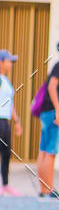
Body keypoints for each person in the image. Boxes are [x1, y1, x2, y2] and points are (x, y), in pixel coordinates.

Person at [37, 38, 59, 199]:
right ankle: (49, 189)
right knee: (50, 152)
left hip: (47, 112)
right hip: (52, 113)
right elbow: (51, 86)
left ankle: (44, 189)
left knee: (44, 151)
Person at [0, 49, 22, 196]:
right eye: (9, 61)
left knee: (6, 153)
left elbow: (10, 103)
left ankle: (5, 184)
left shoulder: (6, 81)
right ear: (1, 62)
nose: (11, 64)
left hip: (5, 121)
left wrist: (17, 121)